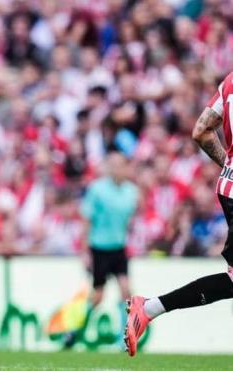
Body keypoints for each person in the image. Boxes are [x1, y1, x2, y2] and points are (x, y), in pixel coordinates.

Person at [125, 72, 233, 356]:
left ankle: (148, 308)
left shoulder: (229, 81)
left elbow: (200, 130)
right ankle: (149, 308)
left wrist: (229, 166)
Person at [66, 152, 138, 348]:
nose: (116, 169)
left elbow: (130, 219)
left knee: (126, 291)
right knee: (98, 296)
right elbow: (86, 220)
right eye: (112, 165)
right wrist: (84, 250)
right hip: (99, 248)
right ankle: (74, 329)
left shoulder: (132, 191)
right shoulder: (97, 189)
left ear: (126, 167)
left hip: (119, 248)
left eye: (120, 165)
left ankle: (123, 337)